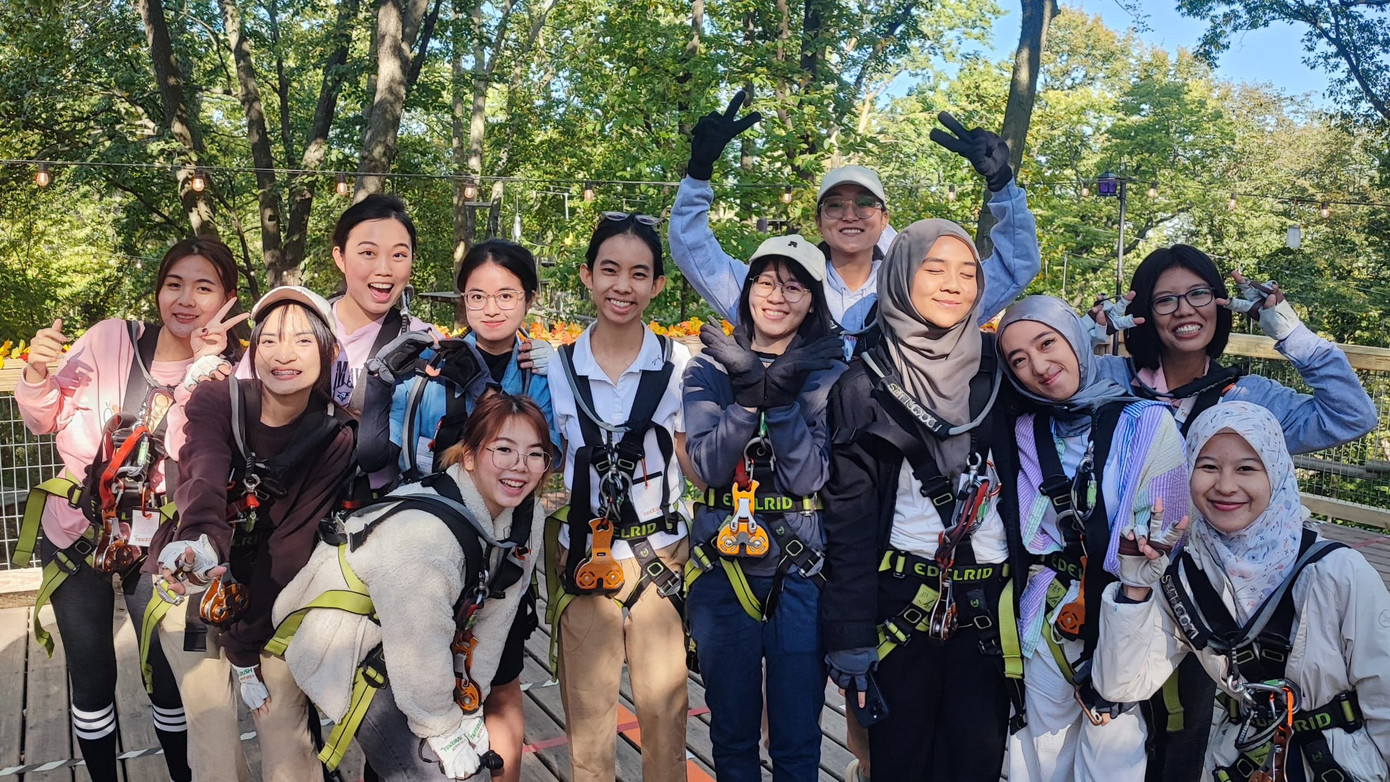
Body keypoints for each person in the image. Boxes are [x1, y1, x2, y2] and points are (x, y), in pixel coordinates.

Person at [1088, 244, 1378, 779]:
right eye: (1165, 300)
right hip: (1119, 580)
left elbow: (1352, 416)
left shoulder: (1248, 396)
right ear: (1144, 312)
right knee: (1112, 723)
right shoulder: (1109, 380)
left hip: (1209, 591)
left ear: (1220, 304)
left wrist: (1285, 327)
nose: (1184, 310)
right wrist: (1090, 332)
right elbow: (1037, 378)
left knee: (1191, 732)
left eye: (1198, 294)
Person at [13, 238, 249, 782]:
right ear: (158, 290)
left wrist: (207, 365)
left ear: (227, 299)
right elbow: (46, 418)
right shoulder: (109, 341)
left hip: (164, 545)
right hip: (78, 531)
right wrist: (35, 375)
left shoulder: (232, 375)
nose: (186, 299)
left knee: (167, 674)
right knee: (90, 673)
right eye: (174, 284)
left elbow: (207, 449)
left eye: (204, 287)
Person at [820, 219, 1027, 781]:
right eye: (934, 269)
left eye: (967, 272)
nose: (952, 284)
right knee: (898, 759)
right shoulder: (863, 384)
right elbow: (849, 519)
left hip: (987, 604)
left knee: (976, 760)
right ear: (900, 277)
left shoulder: (1000, 373)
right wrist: (849, 632)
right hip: (901, 601)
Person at [1094, 401, 1390, 782]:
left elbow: (1384, 694)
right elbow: (1122, 684)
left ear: (1277, 474)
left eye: (1247, 468)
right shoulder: (1187, 578)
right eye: (1208, 466)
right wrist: (1135, 587)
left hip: (1341, 763)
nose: (1225, 486)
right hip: (1240, 761)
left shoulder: (1337, 573)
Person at [272, 392, 551, 781]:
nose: (520, 467)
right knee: (437, 774)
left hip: (409, 640)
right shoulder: (425, 539)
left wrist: (473, 703)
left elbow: (496, 616)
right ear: (468, 456)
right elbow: (416, 645)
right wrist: (442, 726)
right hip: (347, 641)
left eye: (535, 454)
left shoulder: (526, 514)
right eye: (503, 449)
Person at [148, 286, 356, 781]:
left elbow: (290, 546)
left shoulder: (335, 434)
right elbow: (202, 474)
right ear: (253, 350)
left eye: (303, 341)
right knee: (212, 735)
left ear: (327, 352)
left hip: (273, 602)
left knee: (286, 736)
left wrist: (244, 651)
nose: (284, 355)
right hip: (194, 591)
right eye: (270, 341)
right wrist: (198, 543)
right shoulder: (217, 400)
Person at [370, 238, 558, 782]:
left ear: (528, 299)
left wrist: (559, 376)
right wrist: (386, 382)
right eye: (477, 296)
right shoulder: (433, 365)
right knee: (411, 670)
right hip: (434, 548)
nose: (492, 308)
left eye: (507, 295)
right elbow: (397, 450)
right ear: (462, 301)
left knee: (500, 682)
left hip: (507, 547)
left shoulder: (540, 370)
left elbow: (550, 451)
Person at [995, 295, 1190, 782]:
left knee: (1112, 760)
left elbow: (1171, 528)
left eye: (1048, 343)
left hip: (1126, 612)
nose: (1039, 366)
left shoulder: (1146, 421)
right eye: (1019, 360)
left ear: (1078, 342)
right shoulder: (1024, 429)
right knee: (1040, 755)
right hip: (1050, 615)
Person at [670, 91, 1041, 338]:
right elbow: (695, 253)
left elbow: (1016, 265)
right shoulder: (780, 291)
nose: (850, 213)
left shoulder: (924, 290)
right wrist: (698, 172)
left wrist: (1002, 184)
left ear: (883, 217)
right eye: (835, 204)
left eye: (865, 203)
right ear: (819, 220)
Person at [683, 234, 845, 780]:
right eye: (767, 281)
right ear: (748, 287)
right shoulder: (710, 367)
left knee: (798, 739)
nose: (778, 296)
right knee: (731, 735)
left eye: (795, 285)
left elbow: (809, 475)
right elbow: (706, 466)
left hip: (799, 568)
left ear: (813, 299)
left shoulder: (824, 373)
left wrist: (780, 402)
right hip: (722, 564)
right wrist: (747, 391)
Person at [546, 212, 693, 782]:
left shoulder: (681, 366)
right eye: (609, 270)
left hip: (662, 557)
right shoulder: (555, 368)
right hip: (585, 560)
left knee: (666, 723)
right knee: (587, 732)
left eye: (638, 274)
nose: (622, 287)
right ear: (587, 275)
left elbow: (693, 459)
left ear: (657, 284)